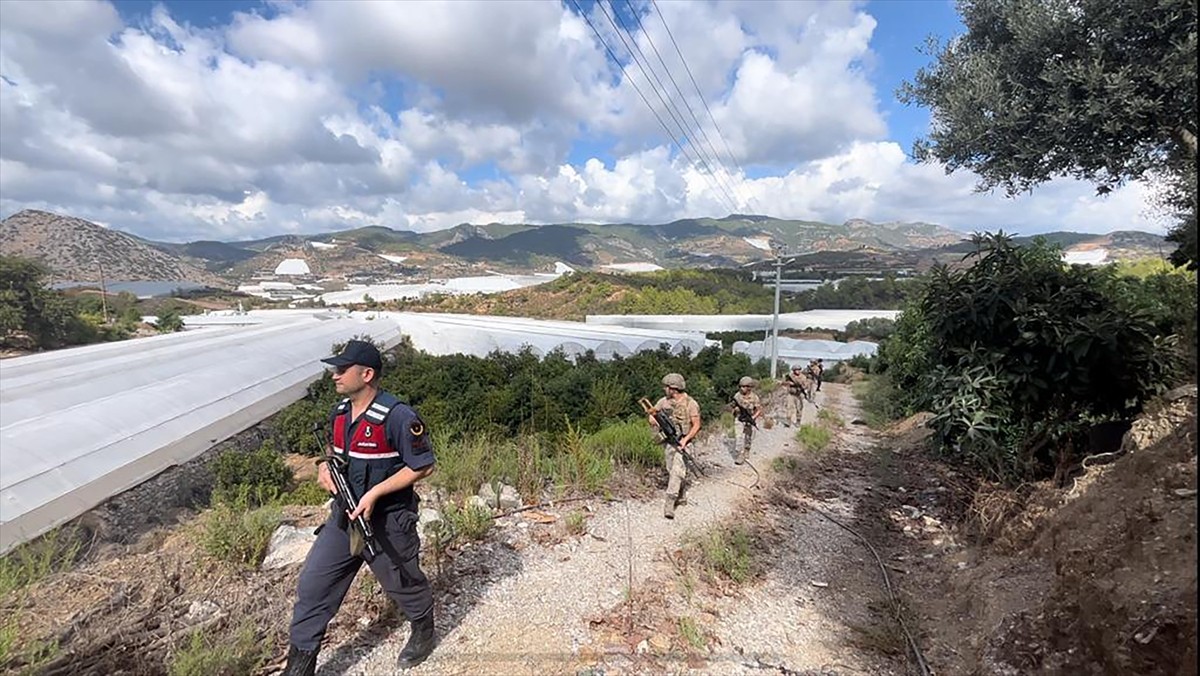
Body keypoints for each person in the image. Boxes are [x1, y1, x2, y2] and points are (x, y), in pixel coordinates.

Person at [283, 340, 437, 676]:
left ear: (366, 374)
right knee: (313, 585)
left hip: (387, 520)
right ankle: (300, 665)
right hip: (343, 518)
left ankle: (424, 631)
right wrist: (324, 469)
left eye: (342, 369)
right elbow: (333, 454)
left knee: (402, 582)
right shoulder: (340, 413)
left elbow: (423, 465)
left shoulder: (397, 416)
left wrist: (376, 493)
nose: (334, 375)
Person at [647, 373, 701, 519]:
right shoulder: (663, 402)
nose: (664, 389)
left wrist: (685, 440)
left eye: (666, 387)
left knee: (677, 469)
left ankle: (669, 503)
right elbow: (652, 414)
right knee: (671, 470)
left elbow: (696, 425)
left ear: (673, 389)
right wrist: (653, 420)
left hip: (684, 441)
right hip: (669, 441)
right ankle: (681, 493)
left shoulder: (690, 403)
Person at [731, 376, 763, 465]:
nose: (742, 388)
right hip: (739, 419)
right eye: (741, 386)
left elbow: (759, 409)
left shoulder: (754, 397)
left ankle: (747, 450)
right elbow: (732, 406)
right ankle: (740, 455)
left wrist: (753, 418)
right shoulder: (737, 396)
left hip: (749, 419)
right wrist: (736, 410)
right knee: (739, 437)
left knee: (749, 437)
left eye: (744, 386)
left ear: (749, 387)